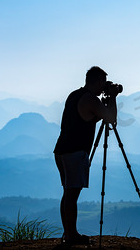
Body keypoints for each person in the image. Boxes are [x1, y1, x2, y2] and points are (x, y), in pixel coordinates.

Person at [54, 66, 118, 245]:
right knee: (71, 195)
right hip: (74, 153)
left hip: (61, 150)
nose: (104, 88)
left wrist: (104, 105)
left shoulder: (75, 95)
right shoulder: (90, 99)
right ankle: (72, 235)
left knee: (67, 193)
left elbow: (90, 117)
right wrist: (112, 97)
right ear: (98, 82)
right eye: (104, 84)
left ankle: (68, 232)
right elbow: (111, 118)